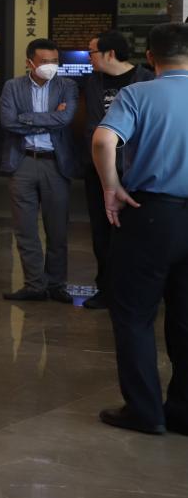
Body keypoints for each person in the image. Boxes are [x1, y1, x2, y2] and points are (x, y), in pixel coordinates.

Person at [92, 23, 188, 435]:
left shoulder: (137, 93)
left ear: (150, 57)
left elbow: (103, 141)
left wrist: (110, 187)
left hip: (150, 215)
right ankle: (183, 410)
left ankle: (145, 411)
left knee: (134, 314)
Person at [0, 39, 78, 303]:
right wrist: (50, 119)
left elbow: (65, 119)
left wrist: (26, 117)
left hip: (55, 163)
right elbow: (8, 122)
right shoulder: (13, 86)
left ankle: (56, 284)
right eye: (45, 62)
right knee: (25, 229)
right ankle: (34, 285)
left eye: (55, 61)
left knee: (57, 230)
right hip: (22, 161)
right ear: (30, 63)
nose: (51, 66)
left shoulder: (67, 86)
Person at [80, 31, 153, 310]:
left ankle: (136, 291)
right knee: (101, 231)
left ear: (110, 53)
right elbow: (92, 127)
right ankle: (106, 289)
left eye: (91, 52)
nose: (88, 58)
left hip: (136, 170)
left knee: (136, 233)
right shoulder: (92, 82)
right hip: (99, 170)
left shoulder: (147, 80)